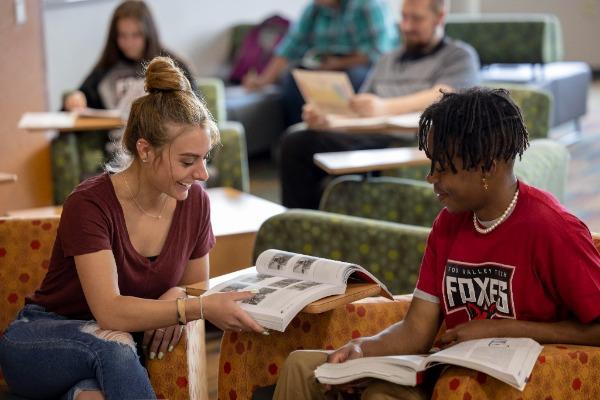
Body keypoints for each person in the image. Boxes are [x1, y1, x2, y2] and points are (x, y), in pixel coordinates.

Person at [272, 87, 600, 399]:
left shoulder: (551, 228)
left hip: (516, 380)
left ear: (488, 165)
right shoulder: (449, 223)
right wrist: (364, 348)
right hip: (445, 369)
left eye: (443, 168)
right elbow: (416, 330)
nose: (432, 178)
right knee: (303, 366)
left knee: (383, 395)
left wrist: (504, 330)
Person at [0, 56, 266, 400]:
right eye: (187, 161)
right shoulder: (90, 204)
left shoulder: (195, 202)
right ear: (144, 150)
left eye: (205, 159)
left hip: (115, 352)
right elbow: (110, 313)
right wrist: (193, 307)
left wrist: (180, 294)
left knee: (93, 394)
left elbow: (195, 287)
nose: (202, 174)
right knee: (114, 345)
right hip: (40, 338)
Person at [280, 0, 480, 209]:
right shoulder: (387, 59)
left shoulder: (459, 56)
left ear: (439, 18)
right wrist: (328, 119)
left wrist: (384, 108)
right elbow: (358, 106)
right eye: (404, 17)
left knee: (300, 145)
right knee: (295, 139)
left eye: (417, 19)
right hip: (366, 132)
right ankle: (300, 223)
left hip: (409, 139)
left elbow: (445, 93)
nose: (407, 26)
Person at [62, 0, 198, 172]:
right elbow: (78, 102)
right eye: (122, 36)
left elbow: (196, 113)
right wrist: (75, 99)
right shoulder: (106, 70)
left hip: (167, 149)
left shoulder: (172, 65)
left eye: (136, 35)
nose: (129, 42)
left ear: (148, 34)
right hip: (121, 155)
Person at [243, 0, 399, 125]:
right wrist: (263, 81)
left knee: (354, 79)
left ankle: (344, 134)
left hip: (361, 65)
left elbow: (380, 51)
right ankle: (300, 132)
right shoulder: (313, 9)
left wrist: (337, 64)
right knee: (292, 79)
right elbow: (290, 47)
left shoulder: (369, 5)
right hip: (325, 65)